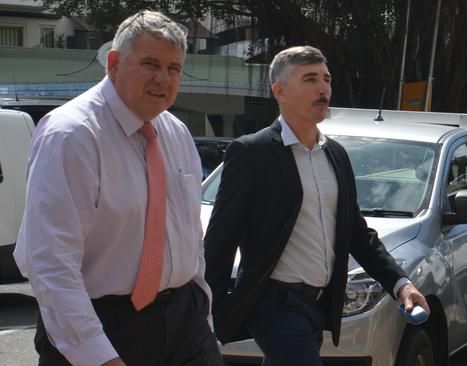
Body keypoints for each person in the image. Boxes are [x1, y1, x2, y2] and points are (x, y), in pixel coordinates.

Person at [13, 10, 222, 366]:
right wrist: (97, 355)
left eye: (174, 69)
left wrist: (202, 313)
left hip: (186, 323)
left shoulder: (176, 132)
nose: (163, 78)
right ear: (113, 63)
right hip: (103, 326)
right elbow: (50, 261)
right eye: (150, 64)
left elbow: (188, 234)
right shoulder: (72, 135)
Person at [203, 45, 430, 365]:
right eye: (310, 79)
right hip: (275, 304)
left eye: (326, 78)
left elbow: (356, 234)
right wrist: (205, 315)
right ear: (279, 91)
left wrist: (400, 284)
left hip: (320, 308)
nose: (323, 87)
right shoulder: (252, 153)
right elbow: (220, 239)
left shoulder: (335, 155)